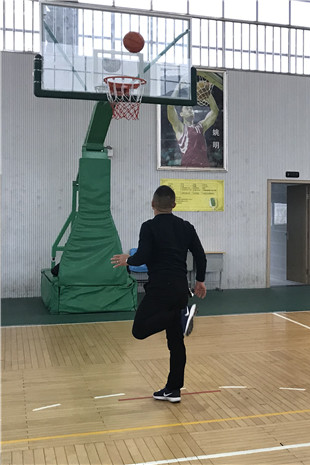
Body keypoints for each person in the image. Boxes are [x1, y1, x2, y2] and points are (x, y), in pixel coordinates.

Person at [111, 185, 207, 403]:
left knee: (139, 330)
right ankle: (173, 390)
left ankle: (179, 316)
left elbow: (143, 256)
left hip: (160, 289)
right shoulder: (186, 227)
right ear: (174, 205)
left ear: (153, 204)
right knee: (176, 343)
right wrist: (200, 281)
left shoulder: (149, 227)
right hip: (180, 289)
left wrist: (128, 260)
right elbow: (200, 255)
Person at [167, 83, 219, 168]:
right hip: (187, 168)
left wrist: (207, 94)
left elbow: (215, 111)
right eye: (187, 108)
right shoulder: (180, 128)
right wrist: (177, 88)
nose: (190, 109)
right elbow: (170, 107)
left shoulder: (201, 126)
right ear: (181, 114)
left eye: (191, 108)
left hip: (204, 167)